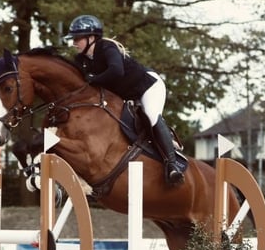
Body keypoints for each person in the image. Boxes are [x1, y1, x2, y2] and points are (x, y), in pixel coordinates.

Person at [64, 14, 184, 185]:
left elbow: (116, 71)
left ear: (91, 38)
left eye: (77, 38)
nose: (74, 43)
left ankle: (172, 165)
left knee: (150, 114)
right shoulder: (82, 60)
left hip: (148, 86)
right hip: (128, 94)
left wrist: (92, 79)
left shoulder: (106, 47)